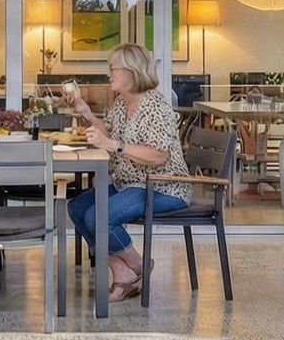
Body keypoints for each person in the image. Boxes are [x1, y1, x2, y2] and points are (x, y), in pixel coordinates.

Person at [64, 44, 191, 303]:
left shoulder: (155, 105)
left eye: (113, 68)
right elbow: (108, 130)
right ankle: (124, 270)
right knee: (78, 208)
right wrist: (84, 110)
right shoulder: (123, 102)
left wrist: (112, 145)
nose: (109, 74)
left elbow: (159, 156)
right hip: (130, 183)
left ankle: (137, 268)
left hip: (163, 186)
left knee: (100, 215)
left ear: (132, 71)